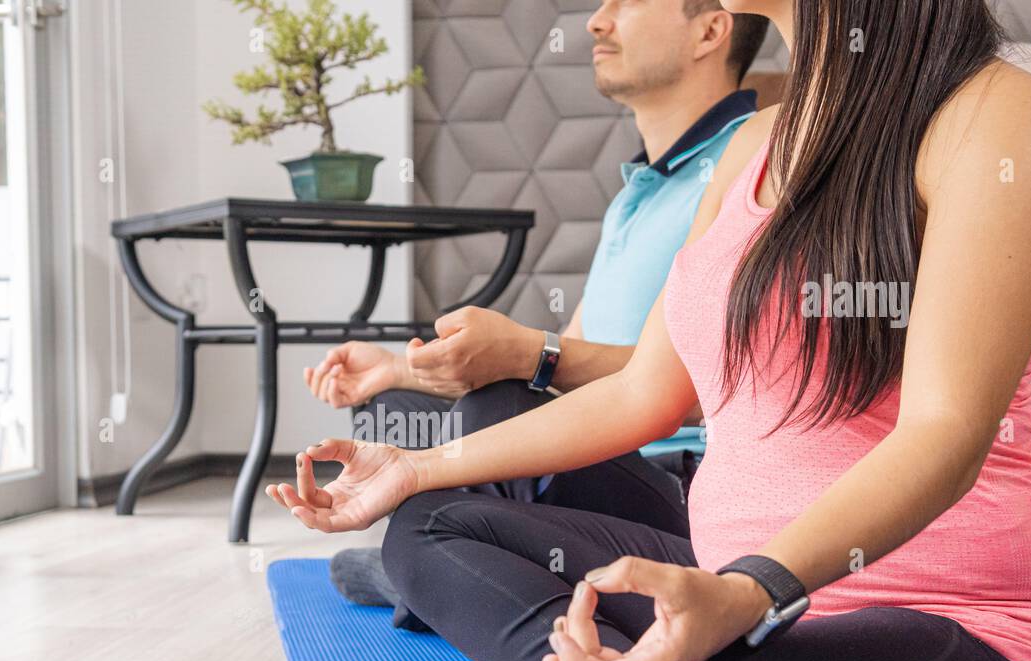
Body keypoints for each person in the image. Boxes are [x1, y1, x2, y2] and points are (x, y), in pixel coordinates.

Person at [267, 0, 1031, 661]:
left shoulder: (999, 117)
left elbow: (943, 432)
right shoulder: (756, 146)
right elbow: (644, 393)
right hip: (728, 591)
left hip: (961, 629)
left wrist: (750, 592)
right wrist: (418, 468)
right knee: (427, 528)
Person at [303, 0, 769, 625]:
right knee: (393, 413)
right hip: (592, 450)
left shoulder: (750, 168)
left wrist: (529, 356)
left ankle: (428, 574)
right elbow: (567, 355)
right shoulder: (637, 192)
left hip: (677, 480)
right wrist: (395, 370)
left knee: (498, 404)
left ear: (711, 30)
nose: (596, 23)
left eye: (626, 5)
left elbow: (716, 387)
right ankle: (446, 569)